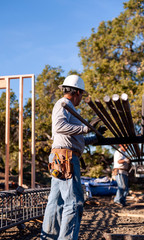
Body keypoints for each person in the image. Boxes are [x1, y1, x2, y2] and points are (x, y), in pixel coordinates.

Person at [40, 75, 100, 240]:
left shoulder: (69, 108)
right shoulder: (63, 104)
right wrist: (85, 128)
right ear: (78, 92)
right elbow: (60, 126)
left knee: (56, 201)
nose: (81, 98)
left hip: (61, 157)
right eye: (82, 95)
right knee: (74, 203)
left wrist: (95, 136)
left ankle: (48, 238)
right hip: (66, 158)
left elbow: (76, 139)